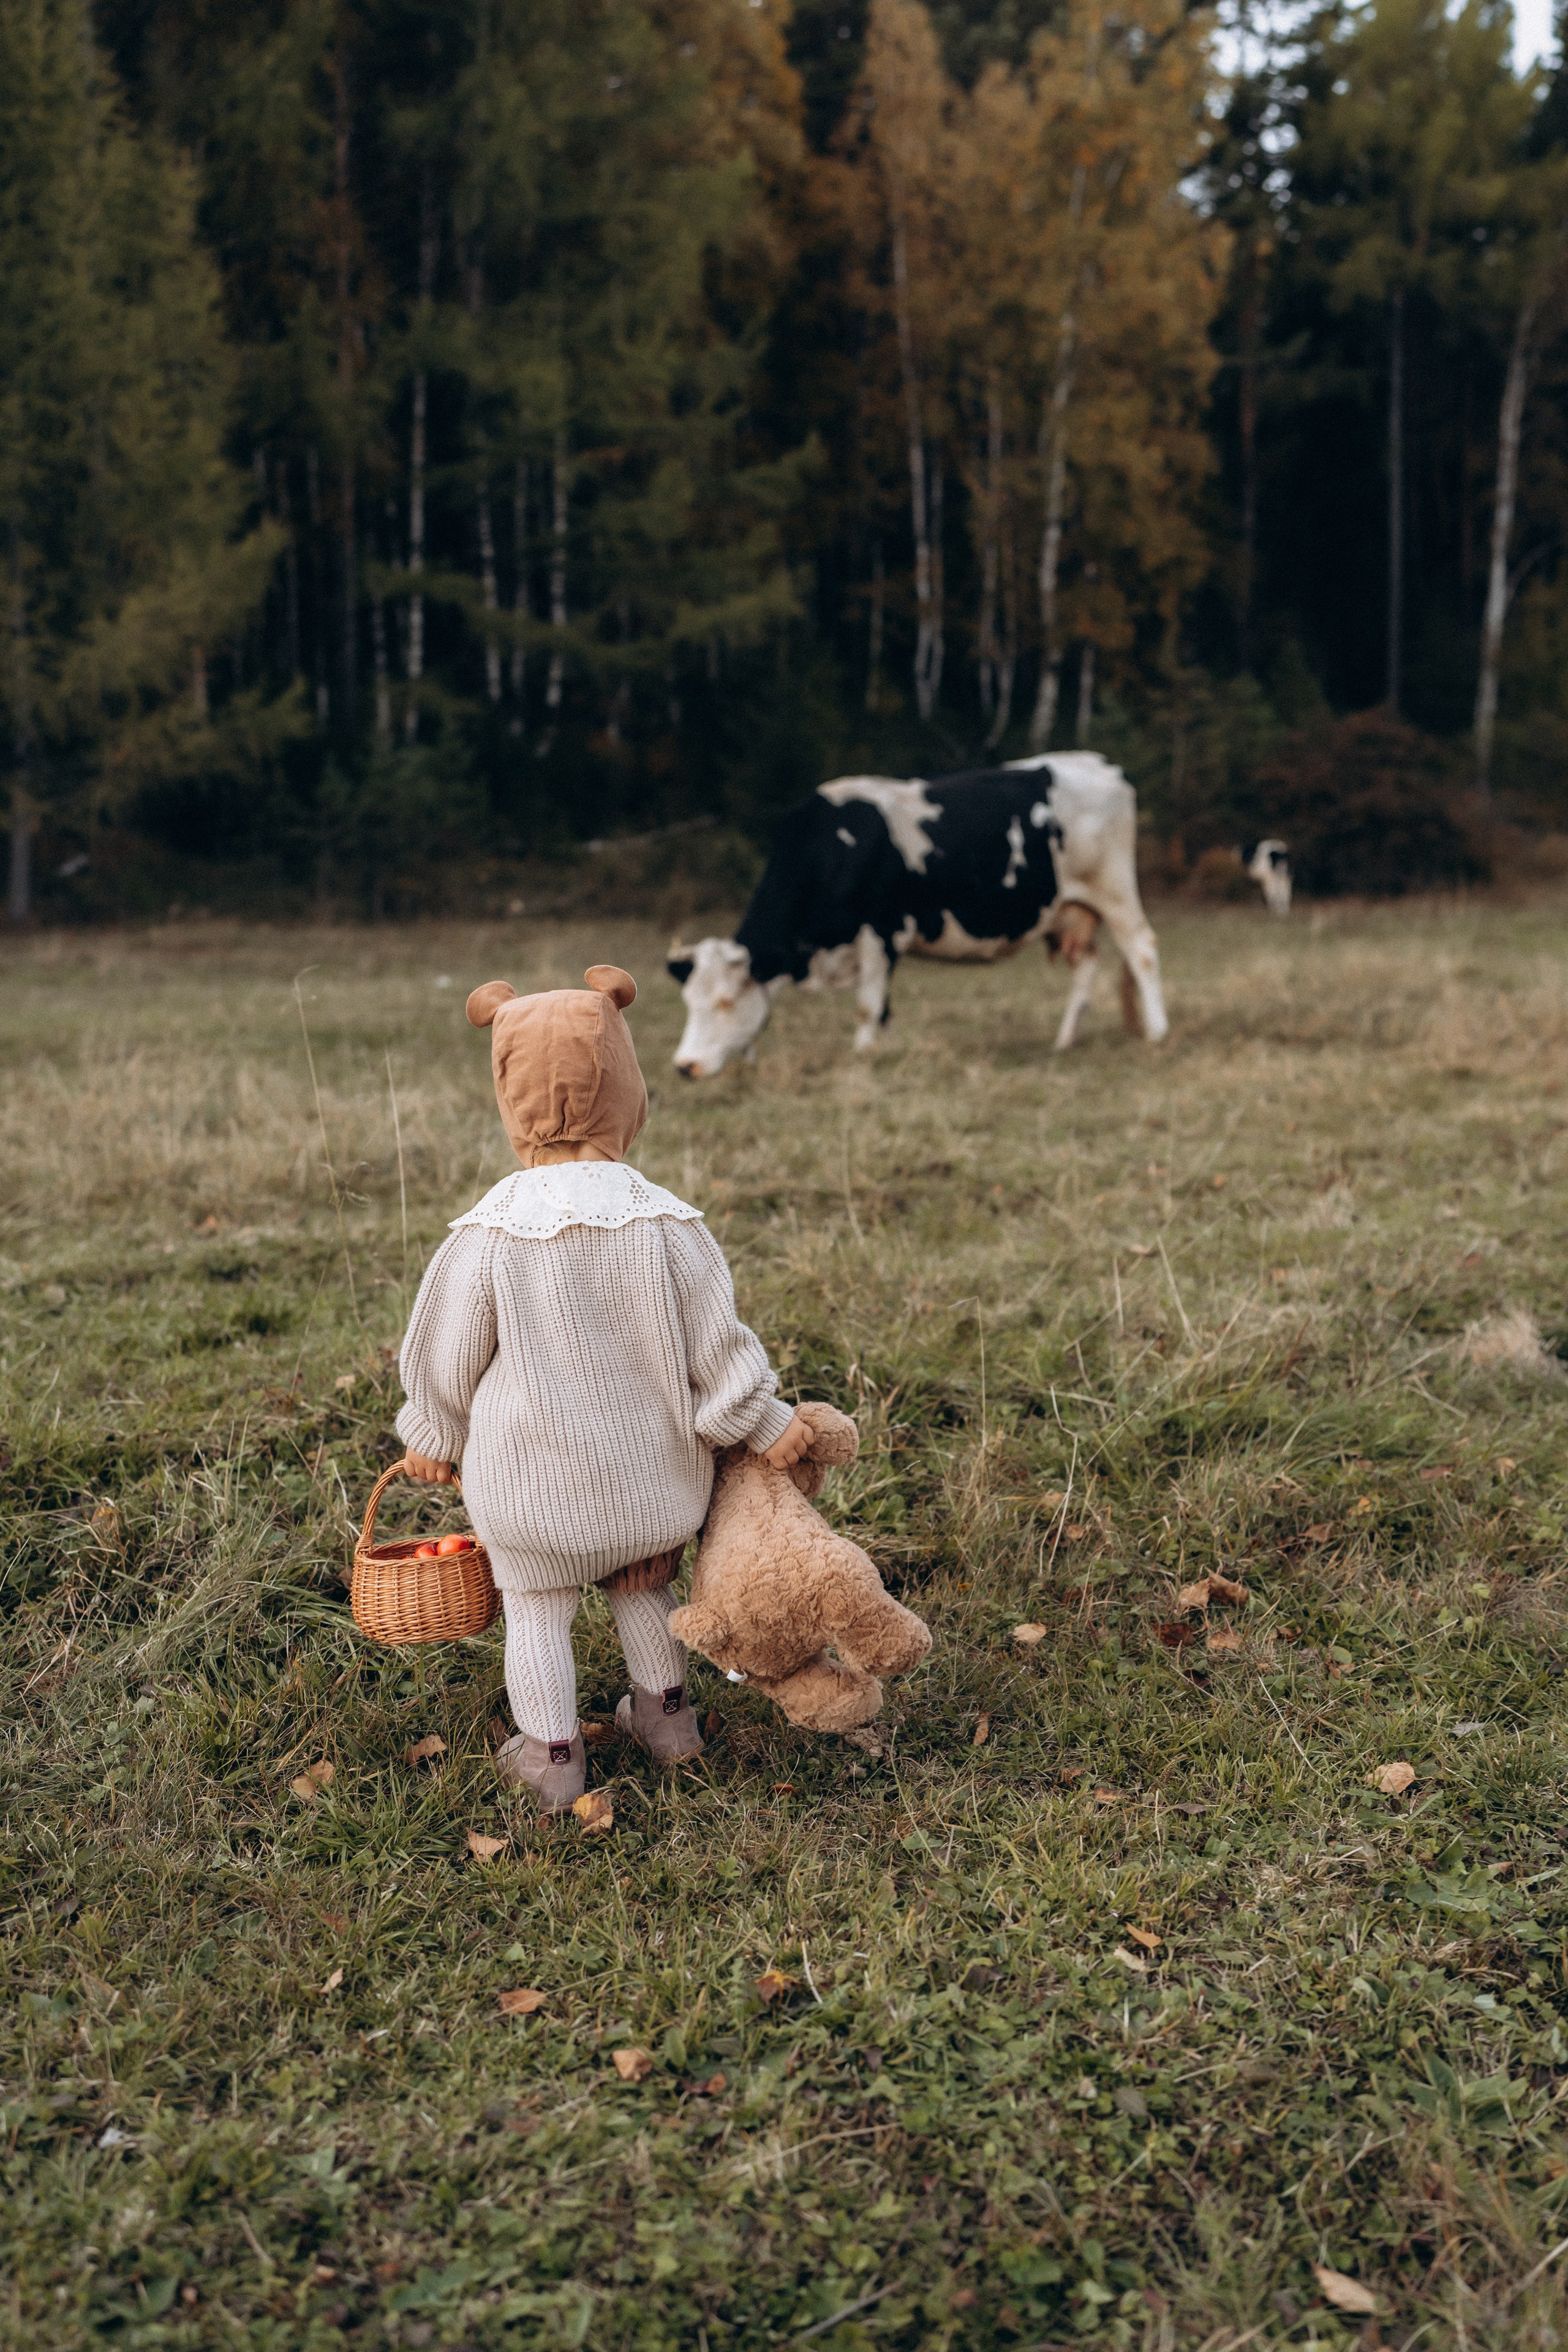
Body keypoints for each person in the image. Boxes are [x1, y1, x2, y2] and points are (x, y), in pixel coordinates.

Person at [393, 963, 812, 1813]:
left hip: (531, 1492)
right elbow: (719, 1347)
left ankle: (552, 1759)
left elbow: (445, 1350)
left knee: (538, 1610)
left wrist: (432, 1433)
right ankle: (670, 1724)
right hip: (653, 1487)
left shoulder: (491, 1230)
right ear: (628, 1087)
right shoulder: (666, 1220)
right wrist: (761, 1417)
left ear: (509, 1095)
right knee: (643, 1586)